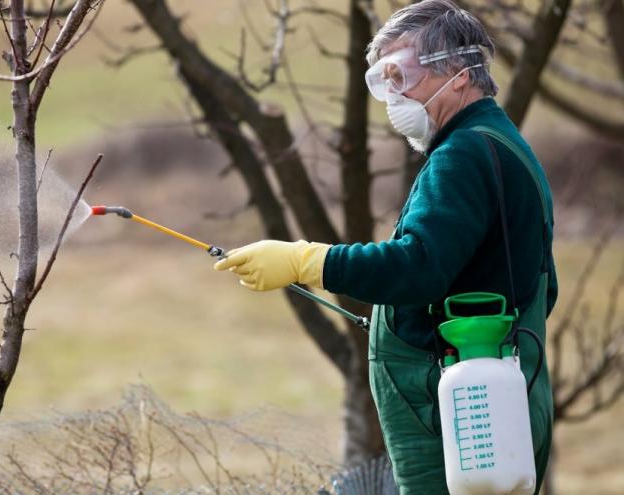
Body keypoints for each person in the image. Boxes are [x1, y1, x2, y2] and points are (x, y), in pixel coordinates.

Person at [213, 1, 557, 493]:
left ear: (458, 74)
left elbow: (418, 267)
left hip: (463, 415)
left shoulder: (463, 156)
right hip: (488, 405)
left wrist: (306, 260)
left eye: (403, 75)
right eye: (384, 80)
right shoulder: (497, 144)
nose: (393, 95)